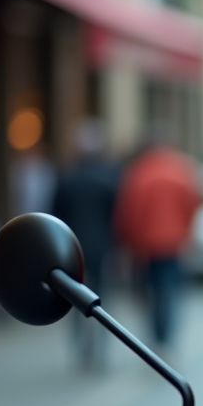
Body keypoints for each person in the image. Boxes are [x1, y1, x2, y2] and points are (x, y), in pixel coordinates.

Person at [113, 129, 203, 351]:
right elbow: (194, 203)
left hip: (146, 245)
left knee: (151, 291)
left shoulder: (139, 172)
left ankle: (157, 334)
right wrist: (186, 231)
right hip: (174, 242)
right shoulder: (181, 168)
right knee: (171, 290)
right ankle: (166, 336)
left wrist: (128, 241)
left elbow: (129, 211)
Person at [52, 120, 119, 370]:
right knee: (101, 297)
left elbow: (55, 216)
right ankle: (100, 345)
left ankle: (81, 345)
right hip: (101, 247)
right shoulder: (108, 179)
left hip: (72, 248)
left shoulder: (67, 178)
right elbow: (116, 216)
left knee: (75, 298)